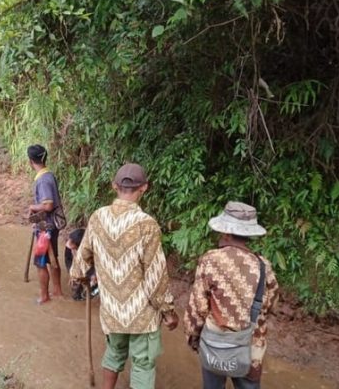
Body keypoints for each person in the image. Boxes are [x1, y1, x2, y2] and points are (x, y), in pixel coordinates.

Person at [70, 163, 178, 389]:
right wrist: (168, 311)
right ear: (144, 188)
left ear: (114, 186)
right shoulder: (146, 224)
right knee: (142, 363)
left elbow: (82, 258)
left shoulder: (98, 217)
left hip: (111, 309)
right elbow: (156, 275)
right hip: (141, 313)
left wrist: (79, 277)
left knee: (114, 352)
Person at [185, 201, 279, 389]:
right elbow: (270, 305)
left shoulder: (210, 260)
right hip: (251, 345)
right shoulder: (263, 266)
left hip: (215, 342)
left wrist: (193, 338)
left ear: (225, 232)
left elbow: (198, 308)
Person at [27, 145, 64, 304]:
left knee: (40, 262)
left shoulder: (42, 180)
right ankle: (57, 290)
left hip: (45, 226)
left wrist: (32, 207)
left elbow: (47, 205)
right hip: (52, 225)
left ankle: (44, 296)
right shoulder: (49, 175)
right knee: (52, 257)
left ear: (30, 162)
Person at [64, 228, 97, 301]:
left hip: (90, 266)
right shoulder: (69, 247)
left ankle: (93, 291)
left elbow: (95, 264)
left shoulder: (90, 249)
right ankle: (78, 293)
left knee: (93, 284)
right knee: (76, 282)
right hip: (76, 265)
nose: (70, 244)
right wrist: (72, 272)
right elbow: (67, 260)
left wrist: (92, 275)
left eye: (72, 243)